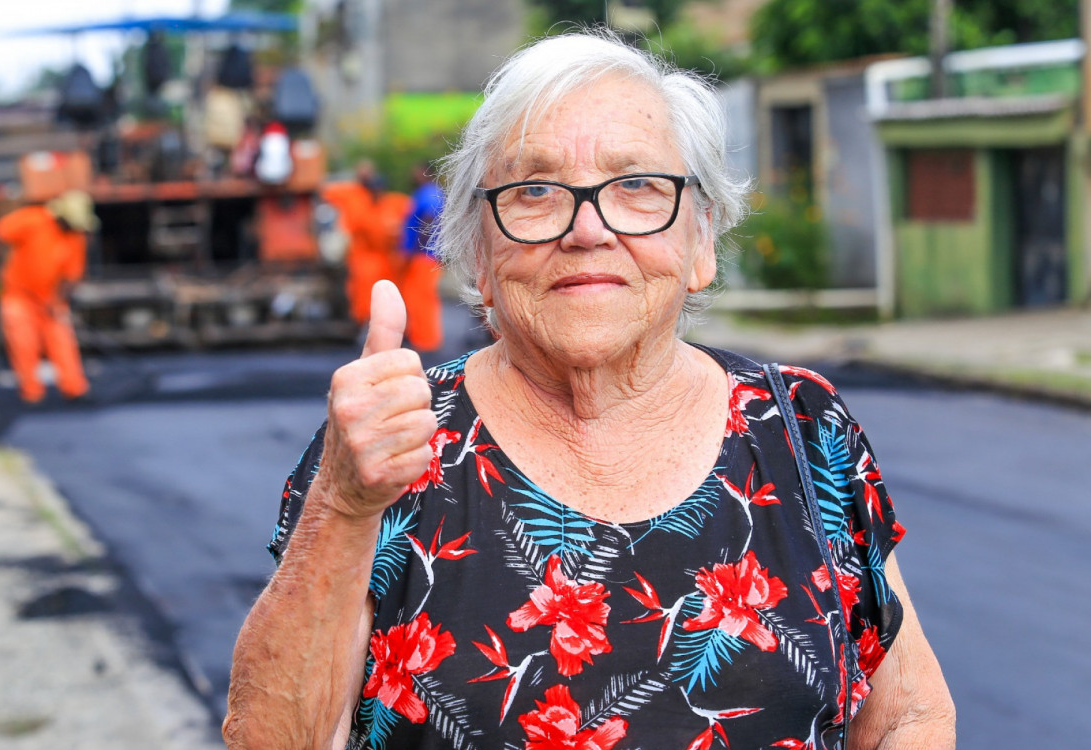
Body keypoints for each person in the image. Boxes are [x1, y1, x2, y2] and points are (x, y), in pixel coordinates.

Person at [225, 31, 955, 750]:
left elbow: (905, 718)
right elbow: (273, 740)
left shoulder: (802, 427)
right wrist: (343, 505)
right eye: (535, 190)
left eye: (637, 185)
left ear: (700, 241)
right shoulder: (390, 445)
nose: (588, 228)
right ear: (478, 253)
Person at [0, 190, 97, 403]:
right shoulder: (33, 220)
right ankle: (31, 393)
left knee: (62, 341)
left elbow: (72, 275)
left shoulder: (74, 237)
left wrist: (57, 300)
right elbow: (0, 234)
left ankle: (74, 389)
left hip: (51, 299)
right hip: (19, 295)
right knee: (24, 343)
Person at [321, 160, 412, 326]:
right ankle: (363, 323)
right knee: (363, 293)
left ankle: (395, 325)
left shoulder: (395, 202)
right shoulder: (356, 199)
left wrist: (401, 238)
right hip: (364, 257)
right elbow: (325, 193)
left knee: (392, 293)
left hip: (388, 258)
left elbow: (415, 218)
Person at [398, 161, 446, 353]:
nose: (413, 175)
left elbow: (427, 222)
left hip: (424, 256)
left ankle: (426, 340)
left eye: (416, 171)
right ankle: (419, 337)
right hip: (423, 256)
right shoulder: (424, 193)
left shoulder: (430, 193)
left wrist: (415, 250)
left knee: (422, 297)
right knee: (414, 296)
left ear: (426, 173)